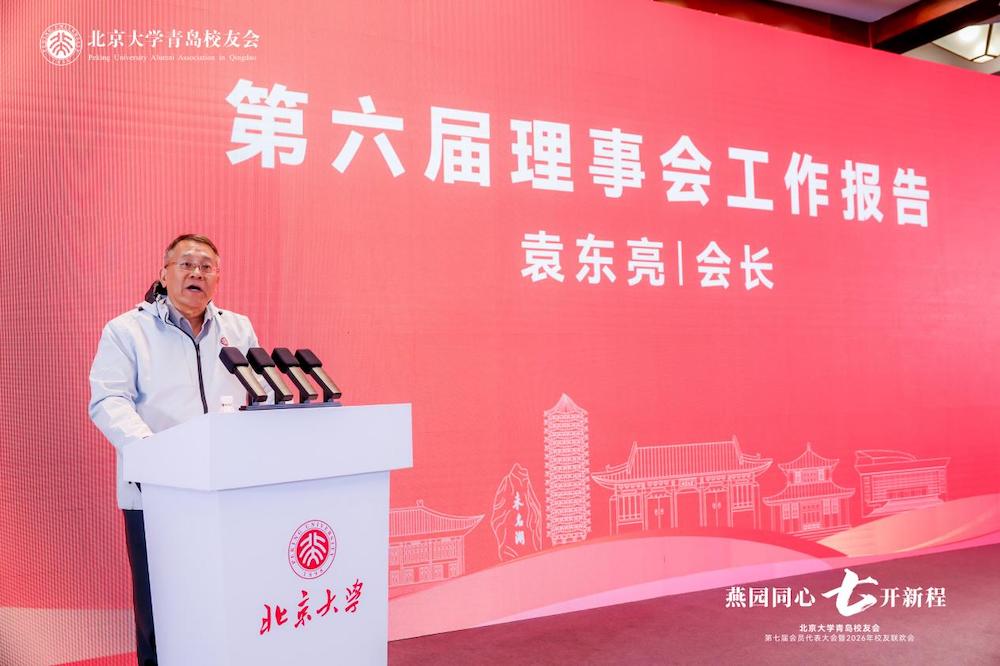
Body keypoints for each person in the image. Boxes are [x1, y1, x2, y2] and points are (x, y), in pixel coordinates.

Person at [88, 234, 261, 666]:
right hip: (156, 492)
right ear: (163, 274)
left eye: (206, 266)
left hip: (224, 489)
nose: (196, 273)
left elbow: (255, 392)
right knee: (160, 606)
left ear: (217, 277)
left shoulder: (238, 329)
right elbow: (108, 400)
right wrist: (153, 454)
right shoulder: (127, 330)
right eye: (185, 264)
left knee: (223, 596)